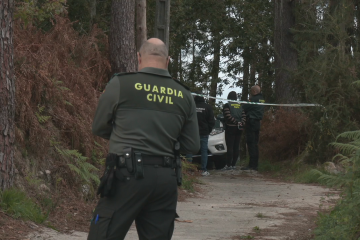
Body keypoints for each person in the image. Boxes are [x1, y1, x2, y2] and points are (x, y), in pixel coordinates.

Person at [87, 38, 200, 240]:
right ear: (168, 60)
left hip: (126, 176)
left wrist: (122, 134)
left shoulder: (121, 83)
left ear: (139, 57)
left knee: (102, 232)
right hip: (166, 178)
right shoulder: (184, 94)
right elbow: (192, 145)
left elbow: (99, 127)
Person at [186, 94, 215, 176]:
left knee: (189, 151)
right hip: (204, 132)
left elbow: (186, 119)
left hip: (192, 132)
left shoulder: (191, 107)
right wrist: (208, 130)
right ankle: (203, 170)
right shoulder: (208, 107)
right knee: (204, 151)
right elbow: (212, 121)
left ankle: (188, 170)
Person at [241, 85, 265, 171]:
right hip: (257, 123)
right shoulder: (262, 99)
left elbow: (244, 107)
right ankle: (255, 164)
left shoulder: (253, 99)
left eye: (251, 91)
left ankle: (252, 165)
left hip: (251, 122)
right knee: (255, 143)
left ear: (254, 91)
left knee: (251, 143)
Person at [221, 91, 246, 170]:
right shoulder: (240, 106)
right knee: (236, 146)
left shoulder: (227, 105)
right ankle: (233, 164)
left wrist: (235, 122)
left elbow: (227, 116)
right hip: (239, 128)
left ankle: (228, 165)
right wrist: (241, 123)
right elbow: (244, 116)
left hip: (230, 127)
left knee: (230, 146)